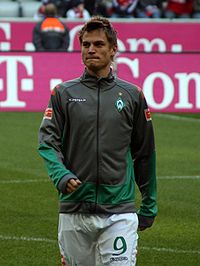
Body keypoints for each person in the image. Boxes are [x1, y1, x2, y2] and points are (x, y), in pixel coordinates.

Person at [38, 16, 157, 266]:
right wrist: (60, 174)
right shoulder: (63, 93)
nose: (91, 49)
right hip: (74, 209)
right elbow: (48, 142)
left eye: (99, 44)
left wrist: (149, 202)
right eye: (86, 44)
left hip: (119, 212)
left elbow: (144, 153)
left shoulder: (133, 95)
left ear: (113, 49)